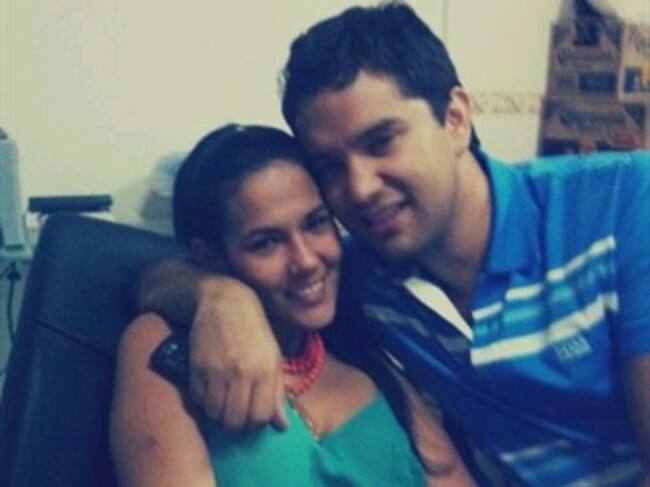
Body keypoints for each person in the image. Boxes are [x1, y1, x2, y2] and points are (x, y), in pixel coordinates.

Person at [137, 3, 650, 485]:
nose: (359, 189)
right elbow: (145, 277)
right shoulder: (362, 271)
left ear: (455, 118)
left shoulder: (625, 204)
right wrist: (220, 298)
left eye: (381, 141)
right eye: (330, 165)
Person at [111, 124, 475, 486]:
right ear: (209, 257)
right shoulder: (168, 346)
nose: (307, 261)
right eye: (265, 243)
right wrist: (221, 298)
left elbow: (450, 475)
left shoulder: (363, 333)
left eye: (316, 223)